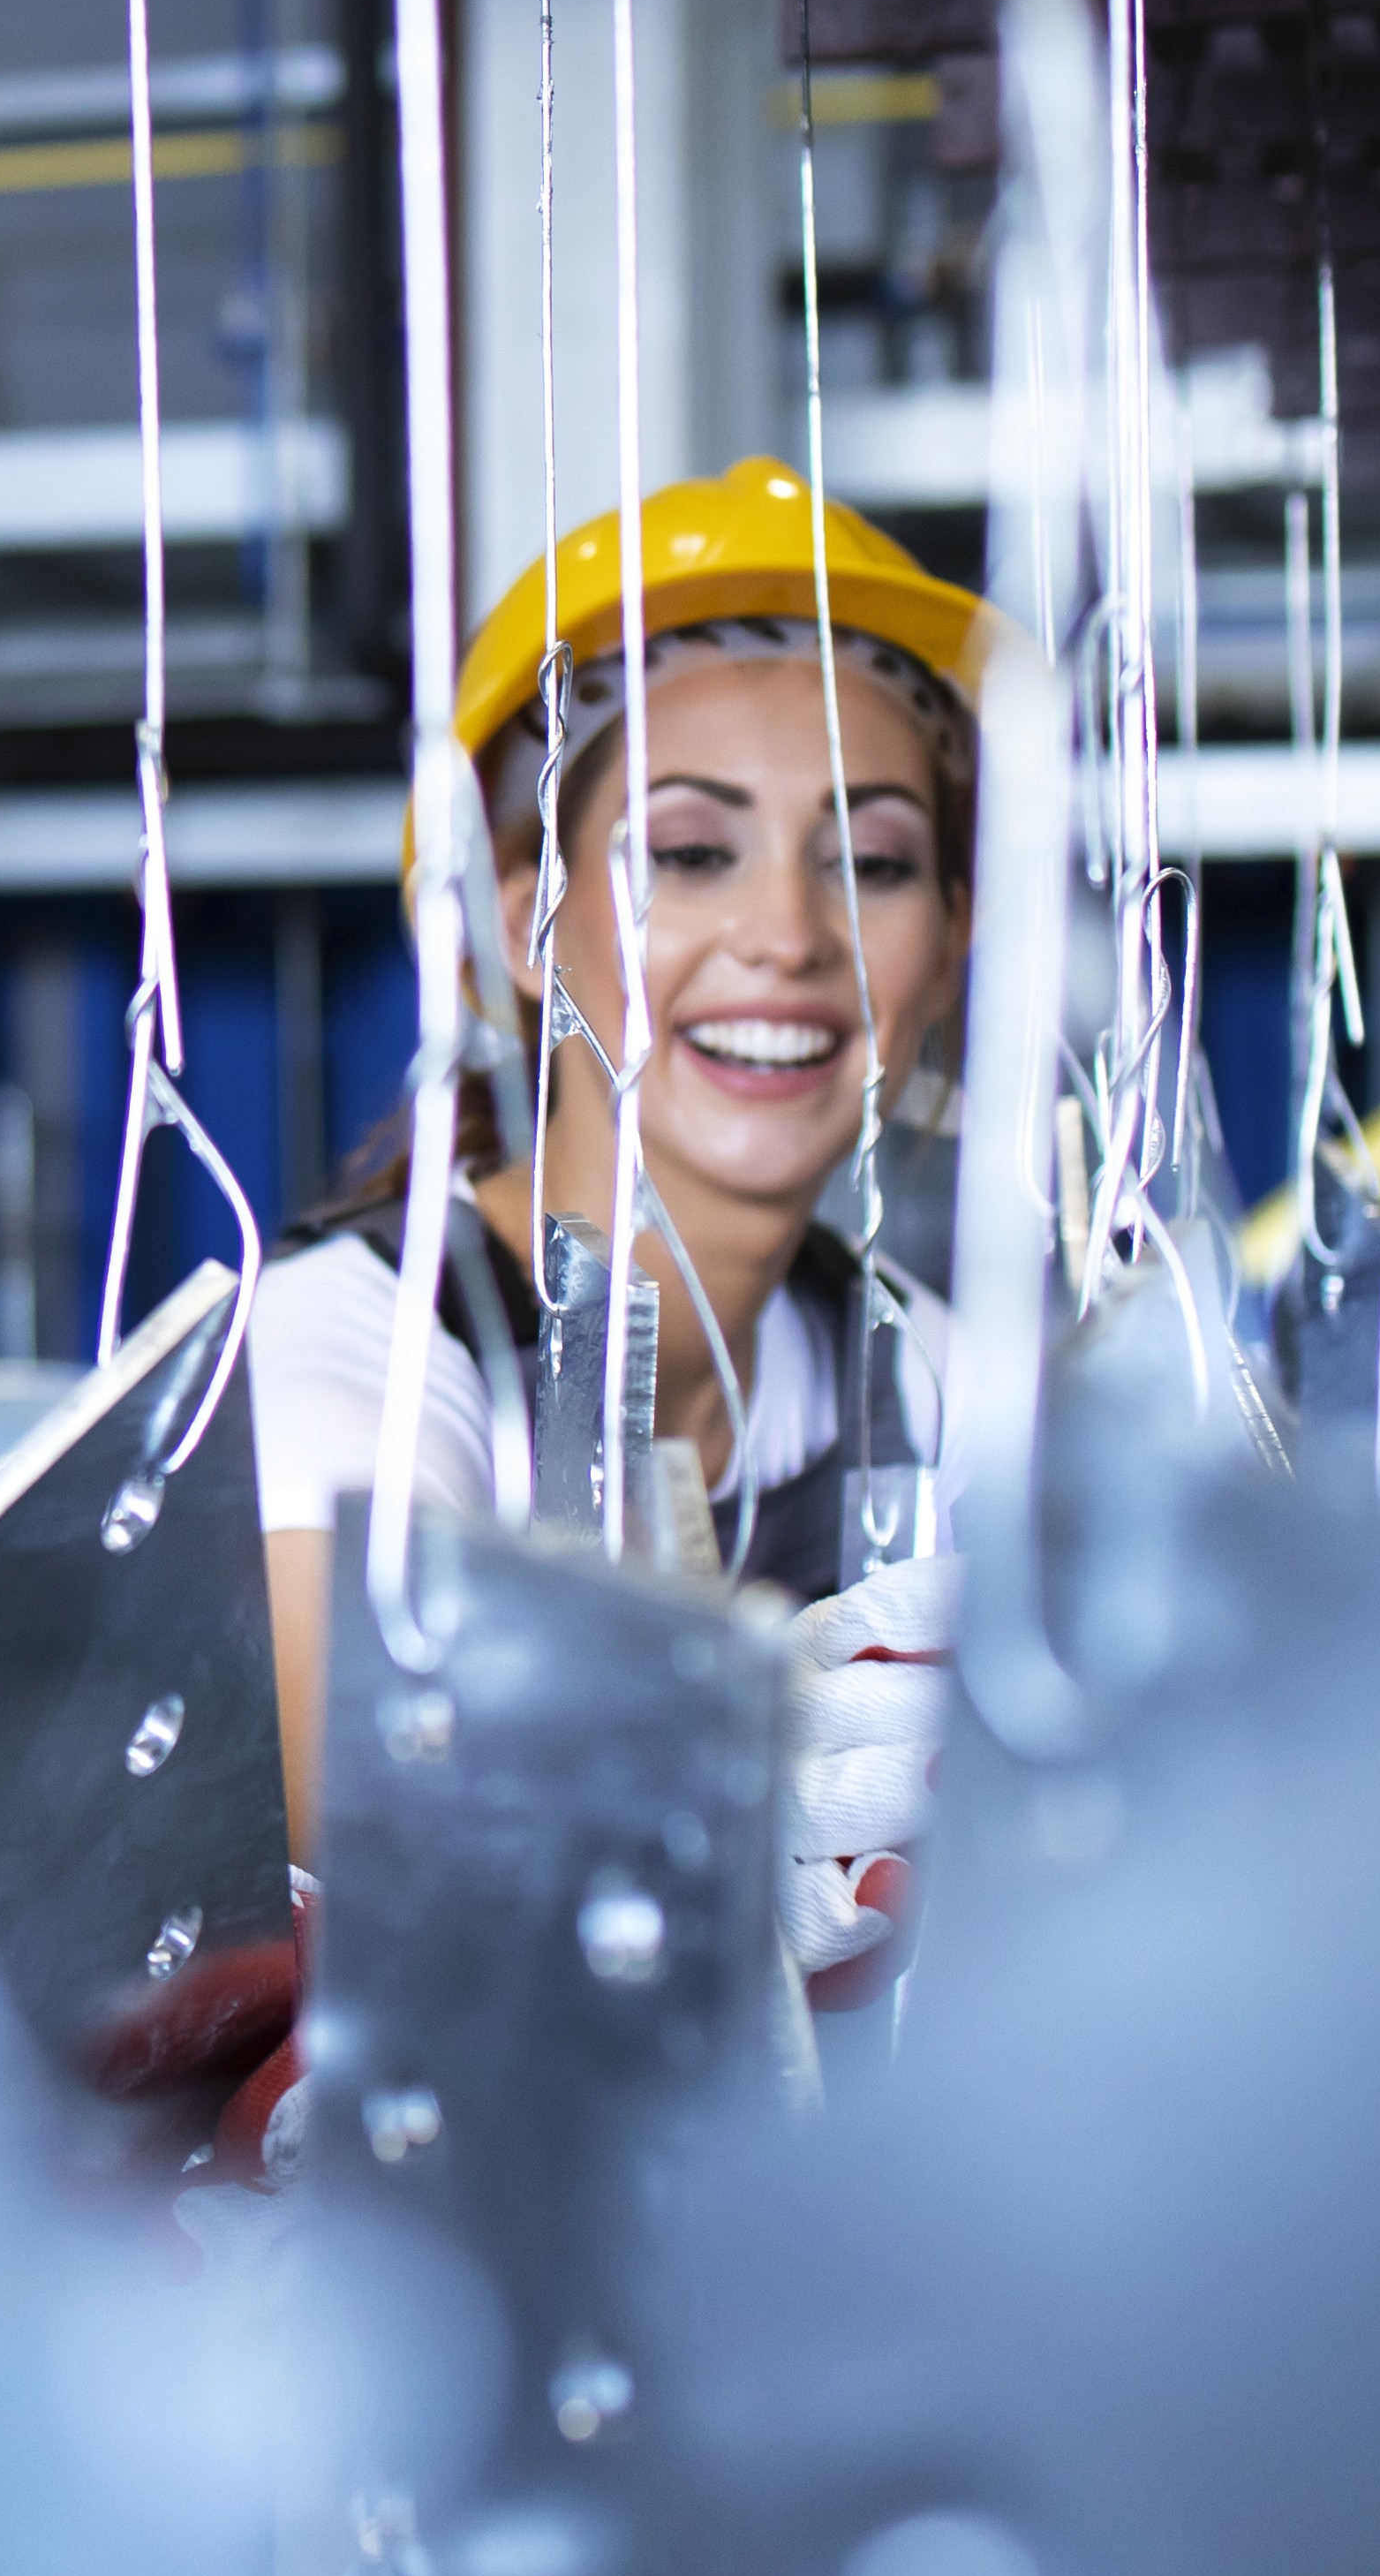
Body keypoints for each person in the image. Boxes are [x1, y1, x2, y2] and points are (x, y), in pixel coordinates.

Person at [242, 465, 986, 1984]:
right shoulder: (355, 1354)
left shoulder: (921, 1370)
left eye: (877, 861)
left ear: (954, 939)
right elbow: (370, 1791)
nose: (791, 935)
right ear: (522, 915)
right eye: (689, 852)